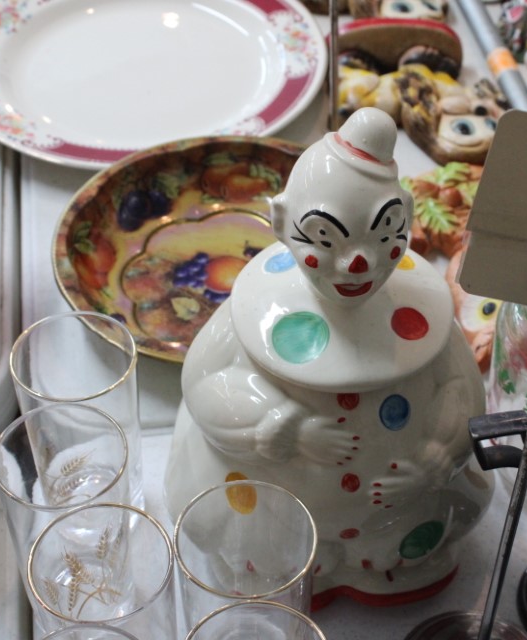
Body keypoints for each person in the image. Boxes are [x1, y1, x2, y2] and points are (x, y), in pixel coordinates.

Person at [164, 107, 493, 606]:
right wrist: (281, 426)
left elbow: (461, 391)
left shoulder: (427, 318)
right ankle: (277, 561)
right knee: (257, 530)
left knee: (424, 524)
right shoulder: (249, 310)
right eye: (325, 237)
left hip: (398, 516)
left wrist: (435, 458)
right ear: (281, 221)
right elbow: (204, 383)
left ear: (406, 214)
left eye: (384, 232)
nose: (358, 262)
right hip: (271, 509)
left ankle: (395, 556)